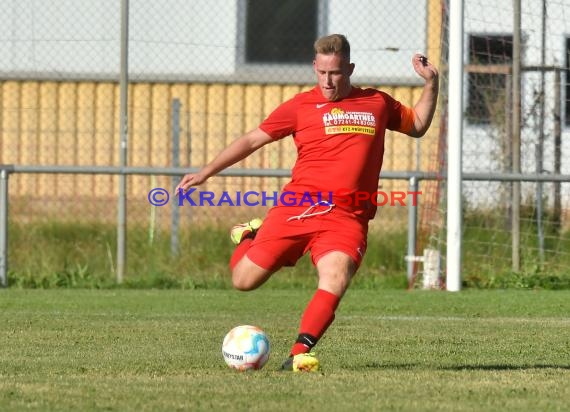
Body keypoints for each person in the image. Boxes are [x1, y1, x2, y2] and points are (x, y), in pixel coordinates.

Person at [175, 34, 439, 372]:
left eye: (337, 73)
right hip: (296, 209)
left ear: (350, 69)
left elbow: (417, 125)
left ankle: (300, 352)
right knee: (243, 281)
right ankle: (249, 236)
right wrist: (205, 173)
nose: (329, 81)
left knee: (336, 276)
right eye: (323, 73)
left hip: (346, 216)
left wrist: (431, 84)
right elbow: (252, 139)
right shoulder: (300, 106)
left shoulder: (376, 103)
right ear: (315, 67)